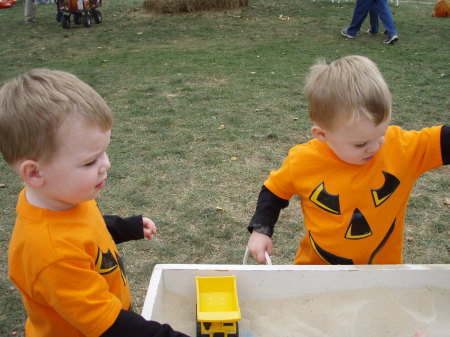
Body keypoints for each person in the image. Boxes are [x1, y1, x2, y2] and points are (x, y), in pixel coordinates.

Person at [0, 69, 190, 337]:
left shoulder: (65, 199)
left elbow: (86, 229)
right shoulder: (51, 254)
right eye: (90, 161)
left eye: (104, 151)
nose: (106, 164)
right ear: (35, 173)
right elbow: (112, 325)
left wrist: (125, 228)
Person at [246, 55, 449, 265]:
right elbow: (274, 191)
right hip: (317, 269)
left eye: (381, 134)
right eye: (360, 144)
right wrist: (261, 230)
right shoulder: (303, 160)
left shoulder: (402, 147)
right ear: (323, 135)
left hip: (382, 273)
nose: (375, 147)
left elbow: (443, 140)